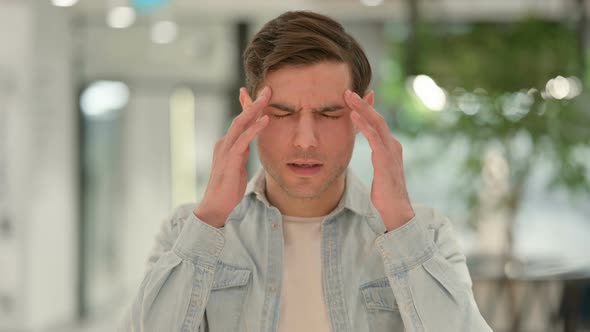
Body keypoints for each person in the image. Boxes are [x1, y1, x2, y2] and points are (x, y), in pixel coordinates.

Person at [119, 10, 492, 332]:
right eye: (282, 113)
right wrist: (211, 216)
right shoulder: (184, 232)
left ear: (364, 114)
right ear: (248, 110)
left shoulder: (426, 233)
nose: (305, 140)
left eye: (329, 113)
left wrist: (398, 221)